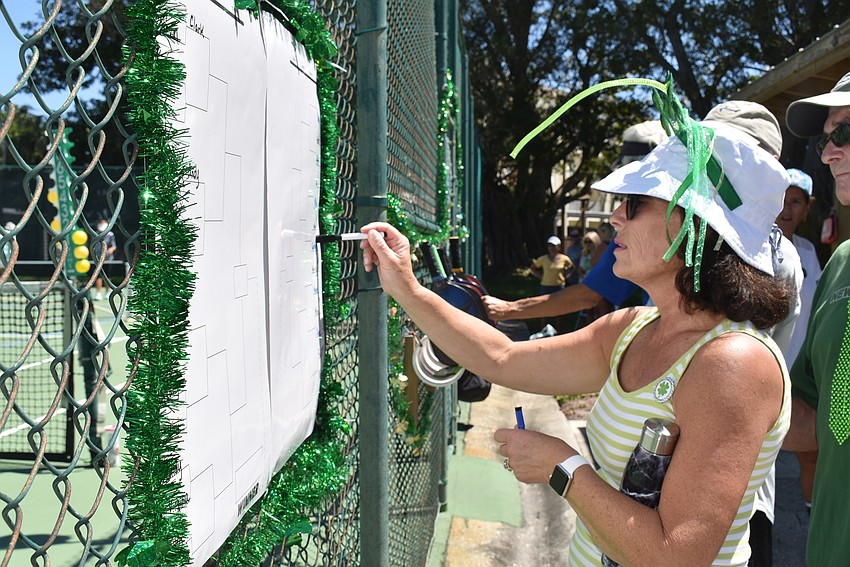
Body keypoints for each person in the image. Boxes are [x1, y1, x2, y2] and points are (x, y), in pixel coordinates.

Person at [361, 116, 794, 565]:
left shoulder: (734, 363)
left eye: (636, 202)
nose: (615, 216)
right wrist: (407, 288)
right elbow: (502, 357)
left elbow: (677, 555)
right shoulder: (631, 328)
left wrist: (562, 466)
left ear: (695, 227)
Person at [782, 69, 850, 567]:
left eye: (844, 134)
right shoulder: (842, 262)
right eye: (827, 140)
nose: (828, 154)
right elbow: (824, 423)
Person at [775, 167, 822, 517]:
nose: (786, 208)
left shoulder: (811, 252)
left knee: (812, 451)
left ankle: (811, 514)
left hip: (802, 378)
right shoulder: (751, 246)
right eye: (781, 199)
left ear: (808, 208)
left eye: (796, 201)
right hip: (765, 374)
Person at [93, 218, 117, 300]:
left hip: (108, 259)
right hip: (98, 259)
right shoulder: (95, 234)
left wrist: (111, 249)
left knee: (107, 275)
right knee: (98, 275)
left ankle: (107, 292)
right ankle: (98, 293)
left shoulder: (110, 234)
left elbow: (114, 246)